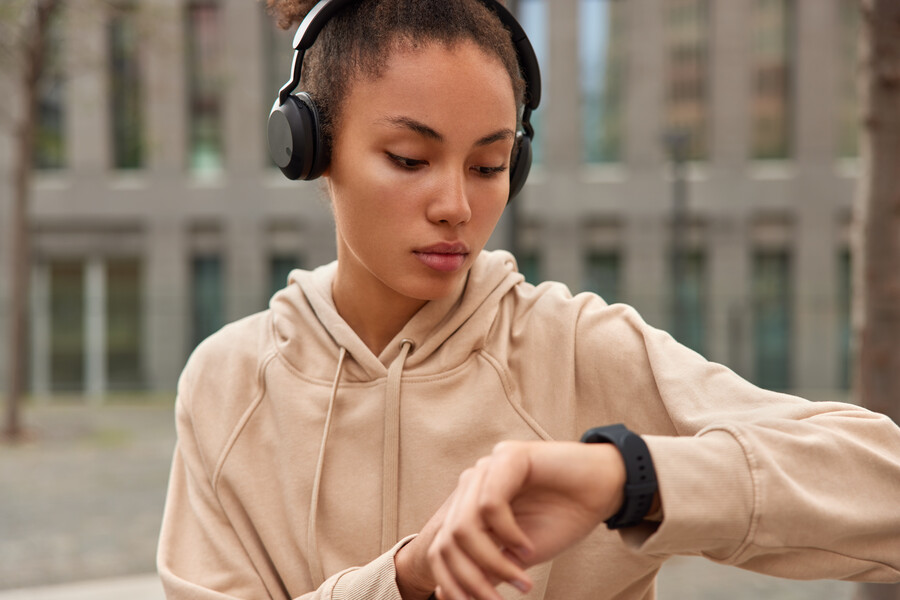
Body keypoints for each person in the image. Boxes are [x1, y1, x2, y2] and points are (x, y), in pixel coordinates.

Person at [156, 0, 900, 598]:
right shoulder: (226, 385)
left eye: (489, 165)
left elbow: (880, 484)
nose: (455, 204)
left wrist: (629, 477)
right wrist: (409, 577)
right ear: (311, 148)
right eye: (410, 159)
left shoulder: (577, 348)